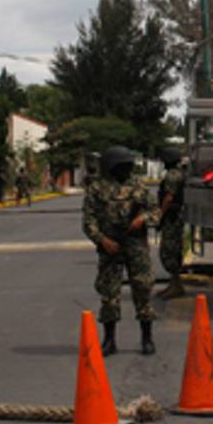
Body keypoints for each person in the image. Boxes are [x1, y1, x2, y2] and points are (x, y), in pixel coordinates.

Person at [83, 146, 161, 356]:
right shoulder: (97, 189)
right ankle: (109, 340)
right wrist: (101, 239)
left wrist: (142, 219)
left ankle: (147, 338)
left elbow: (155, 210)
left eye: (128, 165)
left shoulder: (138, 187)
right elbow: (88, 220)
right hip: (110, 245)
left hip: (135, 244)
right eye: (122, 165)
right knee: (109, 293)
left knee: (143, 287)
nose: (127, 169)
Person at [156, 148, 186, 299]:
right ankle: (174, 284)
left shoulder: (172, 176)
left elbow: (168, 197)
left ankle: (176, 285)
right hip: (176, 215)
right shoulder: (179, 173)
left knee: (169, 250)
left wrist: (160, 215)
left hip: (172, 216)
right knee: (173, 250)